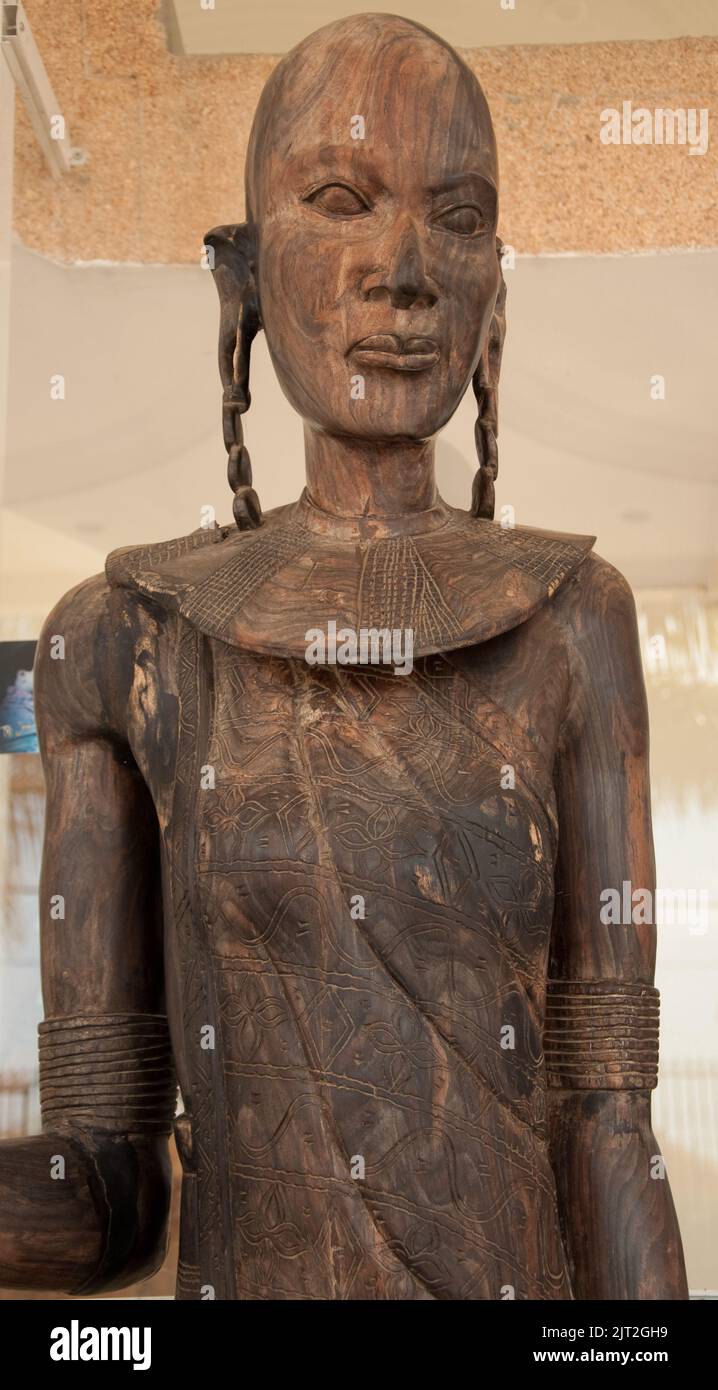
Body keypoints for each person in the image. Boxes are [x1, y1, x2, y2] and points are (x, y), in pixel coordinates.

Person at [0, 14, 687, 1300]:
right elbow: (111, 1195)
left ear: (493, 295)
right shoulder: (123, 638)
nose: (405, 270)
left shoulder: (572, 621)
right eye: (339, 200)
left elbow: (606, 1127)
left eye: (459, 215)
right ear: (246, 282)